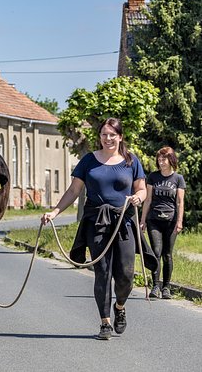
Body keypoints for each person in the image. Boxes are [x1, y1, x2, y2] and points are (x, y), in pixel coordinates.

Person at [41, 117, 157, 340]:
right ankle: (105, 323)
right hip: (97, 222)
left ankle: (120, 307)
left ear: (120, 136)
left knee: (125, 275)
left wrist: (138, 198)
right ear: (99, 137)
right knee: (102, 272)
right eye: (104, 134)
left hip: (123, 221)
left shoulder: (131, 161)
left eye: (112, 134)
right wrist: (55, 212)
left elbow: (142, 189)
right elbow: (74, 190)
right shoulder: (88, 161)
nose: (108, 138)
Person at [140, 146, 185, 300]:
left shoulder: (178, 179)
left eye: (163, 159)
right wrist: (143, 220)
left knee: (167, 254)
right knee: (156, 252)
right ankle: (155, 286)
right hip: (154, 220)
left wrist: (179, 221)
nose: (161, 162)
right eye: (159, 159)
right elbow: (148, 199)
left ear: (171, 160)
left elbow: (180, 202)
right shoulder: (153, 177)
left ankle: (166, 287)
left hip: (171, 222)